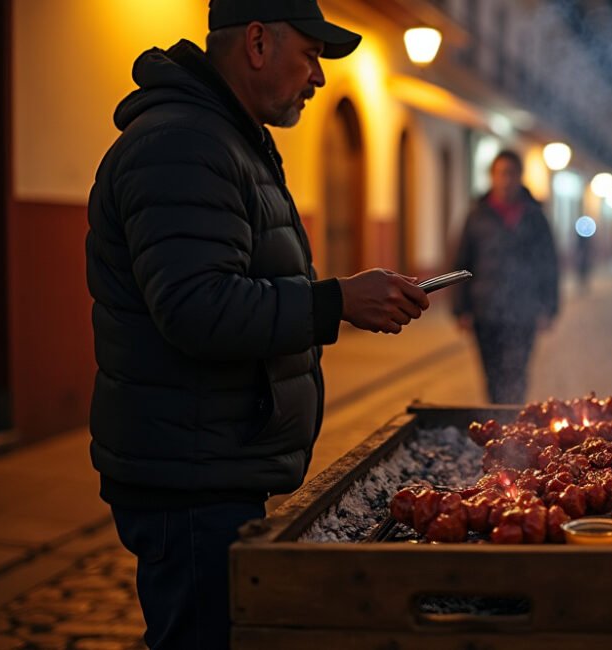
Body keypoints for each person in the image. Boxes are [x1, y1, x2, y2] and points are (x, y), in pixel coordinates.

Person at [85, 1, 430, 647]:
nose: (320, 77)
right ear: (256, 42)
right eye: (311, 54)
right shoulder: (183, 145)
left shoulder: (223, 137)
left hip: (213, 461)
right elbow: (197, 308)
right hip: (189, 476)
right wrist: (337, 303)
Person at [453, 151, 559, 404]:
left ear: (520, 176)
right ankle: (497, 426)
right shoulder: (477, 214)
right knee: (492, 374)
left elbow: (549, 264)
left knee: (518, 374)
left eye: (512, 173)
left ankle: (514, 427)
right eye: (501, 173)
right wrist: (461, 309)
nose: (506, 180)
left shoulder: (535, 216)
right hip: (485, 310)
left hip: (525, 310)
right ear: (492, 177)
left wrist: (549, 308)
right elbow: (461, 261)